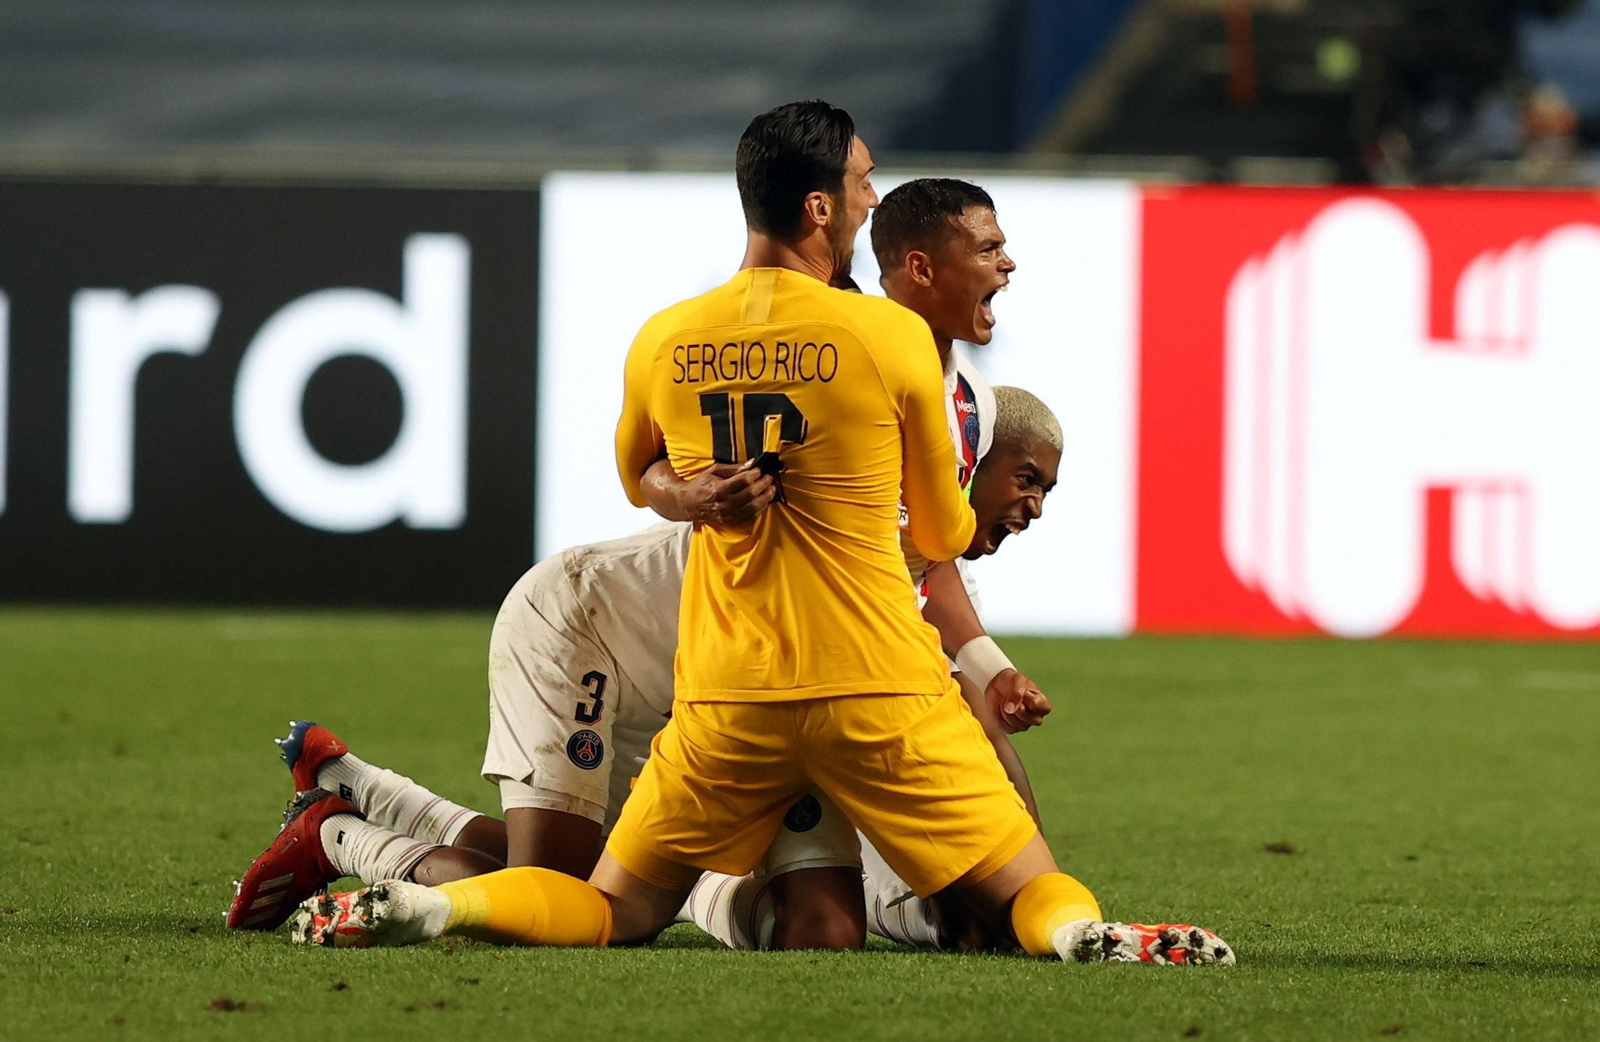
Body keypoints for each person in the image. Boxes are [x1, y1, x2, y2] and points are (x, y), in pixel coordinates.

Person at [273, 100, 1231, 965]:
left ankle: (442, 911)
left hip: (729, 690)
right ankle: (1079, 935)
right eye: (861, 185)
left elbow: (635, 472)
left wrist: (691, 495)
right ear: (824, 210)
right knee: (1015, 887)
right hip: (831, 675)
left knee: (617, 907)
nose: (869, 199)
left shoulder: (666, 336)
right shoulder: (892, 341)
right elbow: (937, 530)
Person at [225, 177, 1051, 944]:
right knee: (558, 881)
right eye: (1027, 481)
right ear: (916, 268)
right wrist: (682, 495)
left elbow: (927, 575)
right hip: (600, 627)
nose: (1029, 509)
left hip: (747, 683)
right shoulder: (831, 347)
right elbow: (651, 466)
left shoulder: (957, 401)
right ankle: (343, 831)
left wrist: (993, 691)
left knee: (805, 922)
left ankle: (357, 790)